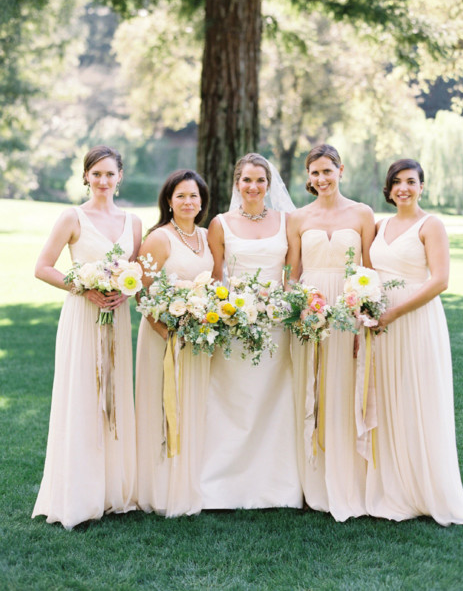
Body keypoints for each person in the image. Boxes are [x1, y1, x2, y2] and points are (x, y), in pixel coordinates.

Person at [365, 158, 463, 526]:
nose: (404, 188)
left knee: (418, 397)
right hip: (381, 321)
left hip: (414, 320)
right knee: (388, 399)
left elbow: (440, 280)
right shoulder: (379, 226)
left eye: (411, 181)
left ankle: (427, 488)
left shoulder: (431, 225)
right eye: (397, 182)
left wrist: (395, 313)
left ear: (421, 186)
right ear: (389, 188)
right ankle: (394, 484)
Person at [32, 145, 142, 529]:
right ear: (85, 177)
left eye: (110, 174)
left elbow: (136, 272)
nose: (103, 181)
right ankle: (78, 493)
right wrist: (84, 288)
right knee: (82, 395)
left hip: (118, 316)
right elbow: (42, 267)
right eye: (96, 174)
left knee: (114, 397)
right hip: (83, 315)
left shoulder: (134, 222)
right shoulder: (72, 216)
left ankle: (113, 491)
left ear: (120, 177)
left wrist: (124, 291)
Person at [200, 153, 302, 509]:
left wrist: (284, 307)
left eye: (260, 180)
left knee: (275, 403)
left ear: (269, 184)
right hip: (234, 324)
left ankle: (278, 486)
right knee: (232, 401)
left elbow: (293, 275)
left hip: (276, 326)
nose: (253, 187)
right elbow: (216, 278)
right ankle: (221, 487)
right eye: (246, 180)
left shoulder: (287, 221)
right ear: (236, 183)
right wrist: (232, 311)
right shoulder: (220, 224)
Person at [285, 144, 375, 519]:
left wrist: (362, 314)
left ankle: (350, 480)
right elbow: (291, 276)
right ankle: (314, 481)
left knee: (345, 389)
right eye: (314, 172)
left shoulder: (362, 213)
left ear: (341, 170)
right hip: (312, 312)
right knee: (314, 387)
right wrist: (304, 304)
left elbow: (370, 270)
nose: (321, 179)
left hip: (349, 309)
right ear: (307, 177)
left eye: (327, 171)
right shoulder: (296, 218)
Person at [134, 169, 214, 516]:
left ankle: (190, 482)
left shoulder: (208, 236)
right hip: (162, 339)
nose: (188, 202)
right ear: (169, 200)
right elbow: (138, 289)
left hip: (197, 340)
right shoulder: (159, 239)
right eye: (180, 195)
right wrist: (164, 330)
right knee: (162, 405)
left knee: (192, 406)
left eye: (193, 196)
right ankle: (159, 489)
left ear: (202, 202)